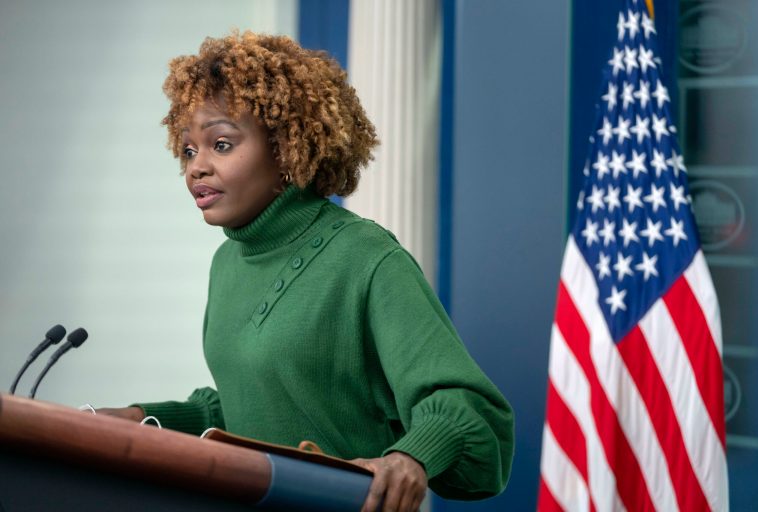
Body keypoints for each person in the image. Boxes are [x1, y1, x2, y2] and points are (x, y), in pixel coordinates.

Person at [98, 31, 514, 512]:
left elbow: (473, 411)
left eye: (222, 144)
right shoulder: (228, 262)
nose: (197, 168)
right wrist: (141, 419)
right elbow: (248, 407)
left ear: (286, 148)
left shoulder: (366, 257)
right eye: (189, 151)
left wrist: (410, 459)